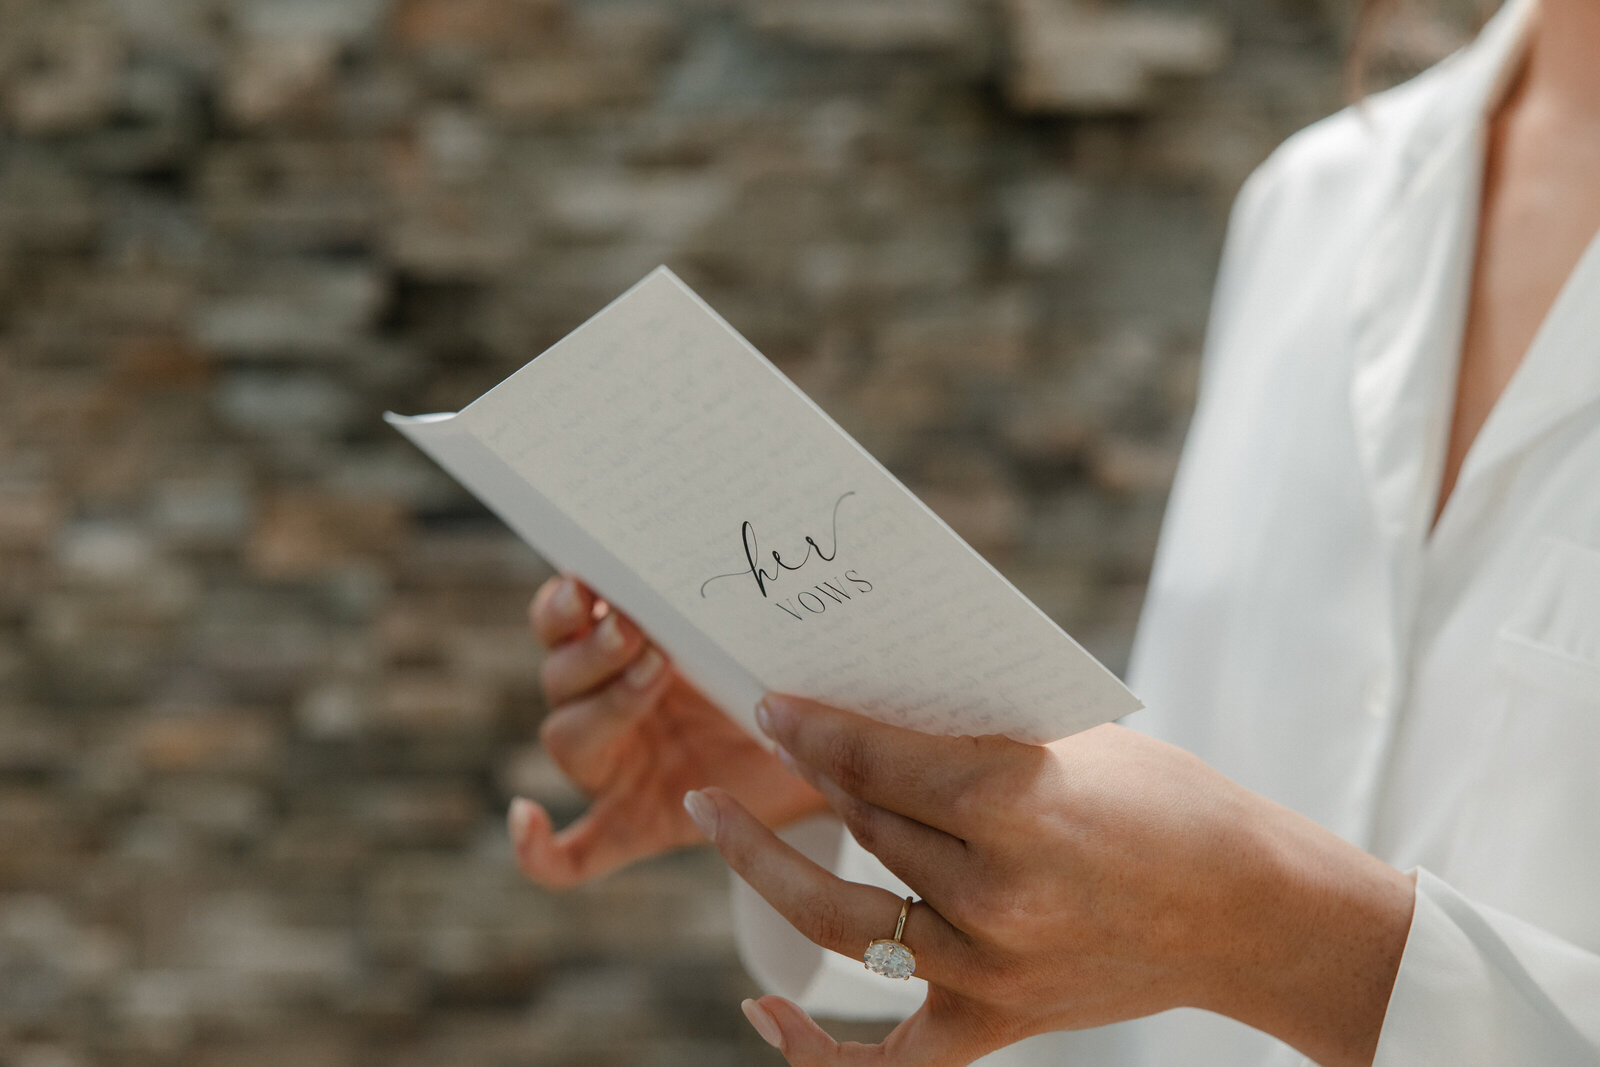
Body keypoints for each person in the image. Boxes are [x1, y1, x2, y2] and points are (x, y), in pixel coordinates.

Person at [506, 0, 1600, 1059]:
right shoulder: (1315, 205)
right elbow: (1169, 914)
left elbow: (1231, 906)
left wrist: (1294, 939)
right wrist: (844, 772)